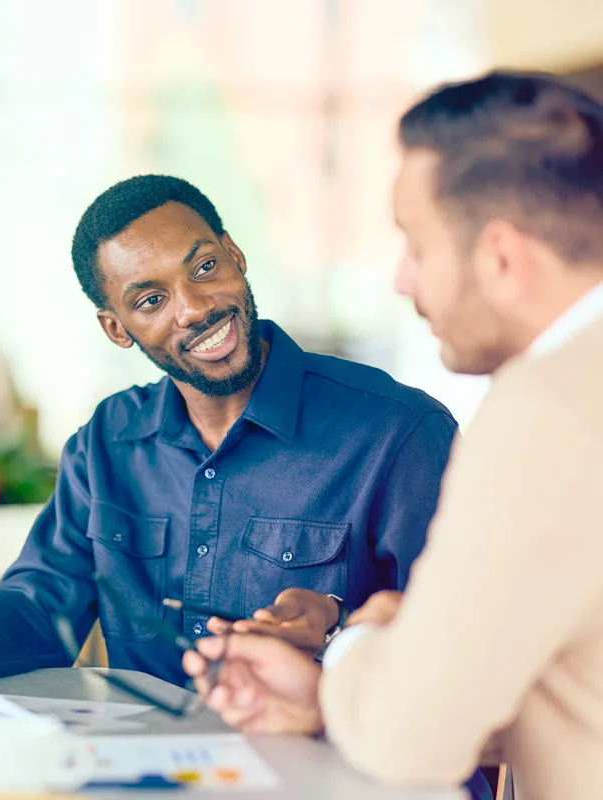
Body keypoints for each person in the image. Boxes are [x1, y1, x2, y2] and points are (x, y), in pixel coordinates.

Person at [0, 174, 456, 714]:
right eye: (151, 300)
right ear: (117, 328)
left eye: (204, 268)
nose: (194, 308)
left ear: (236, 255)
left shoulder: (399, 434)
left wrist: (336, 627)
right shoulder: (106, 442)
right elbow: (43, 603)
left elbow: (459, 648)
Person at [183, 71, 603, 800]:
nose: (403, 281)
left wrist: (359, 644)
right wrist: (338, 693)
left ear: (500, 256)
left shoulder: (546, 410)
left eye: (416, 245)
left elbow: (412, 742)